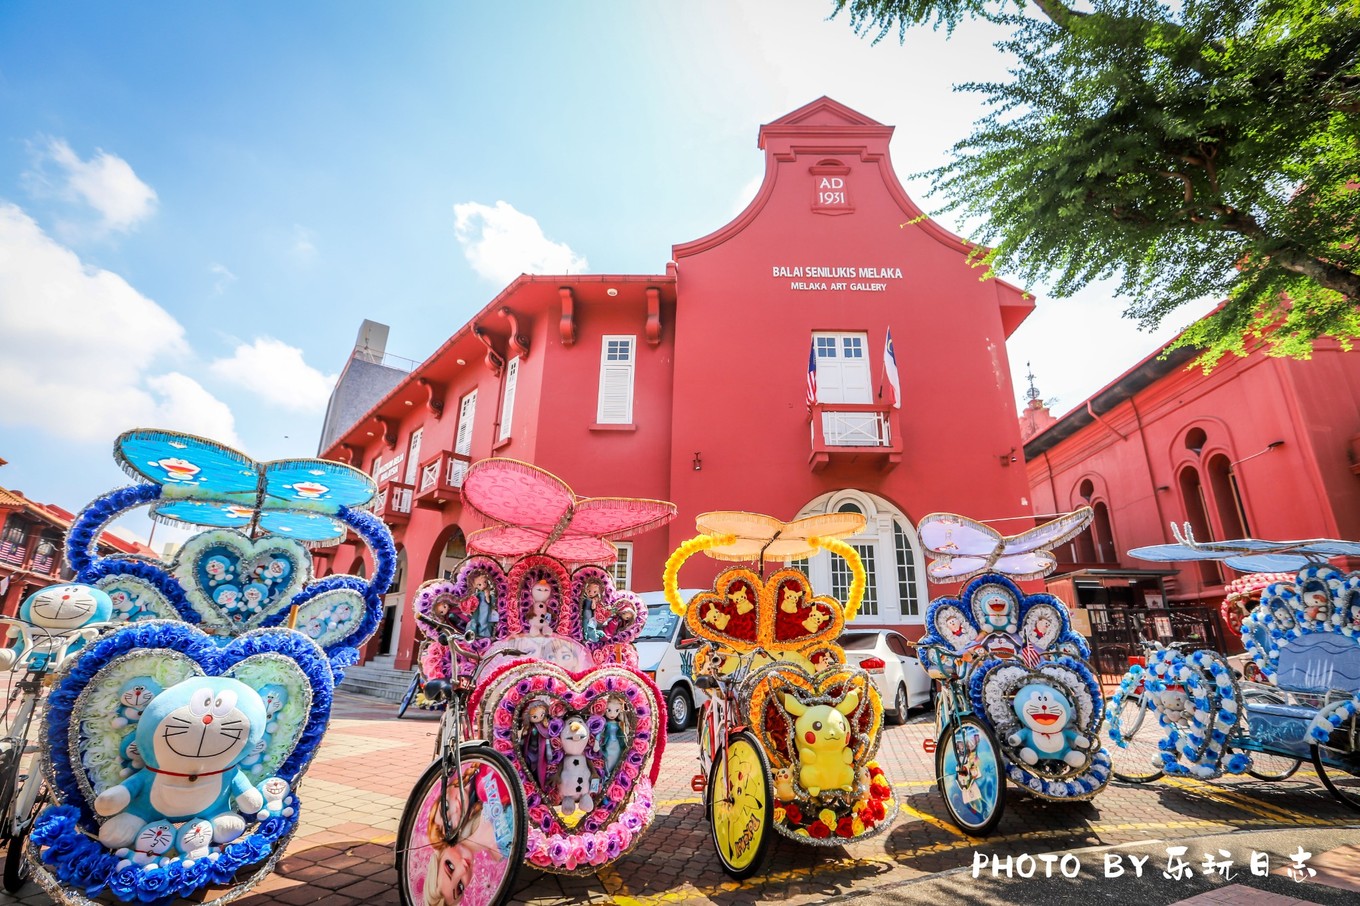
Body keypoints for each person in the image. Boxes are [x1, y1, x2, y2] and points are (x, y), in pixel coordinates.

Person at [422, 762, 514, 906]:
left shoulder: (477, 794)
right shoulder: (500, 854)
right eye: (459, 887)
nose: (462, 870)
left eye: (450, 868)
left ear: (440, 855)